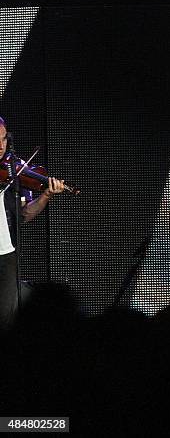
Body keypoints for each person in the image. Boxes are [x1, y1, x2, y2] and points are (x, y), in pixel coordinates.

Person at [0, 117, 65, 329]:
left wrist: (46, 194)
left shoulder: (13, 170)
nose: (1, 147)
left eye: (3, 140)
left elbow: (25, 214)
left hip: (5, 251)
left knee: (6, 314)